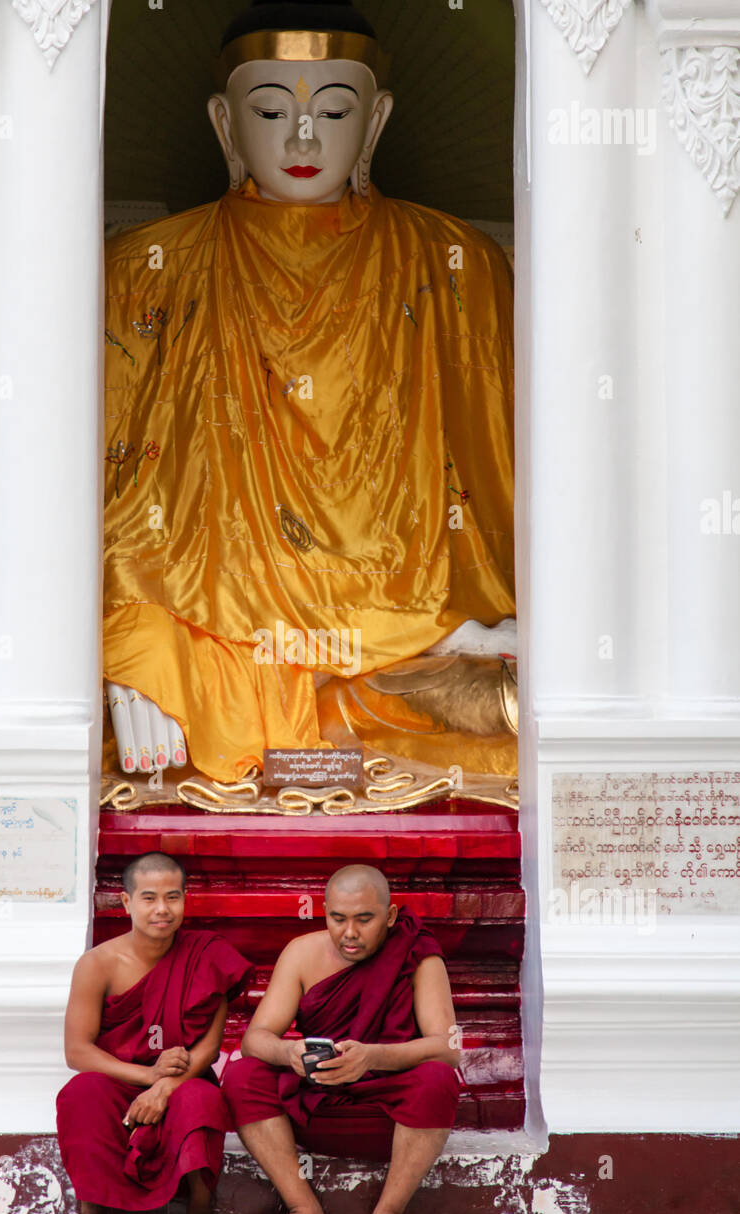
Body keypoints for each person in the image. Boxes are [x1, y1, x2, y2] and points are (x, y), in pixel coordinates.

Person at [103, 0, 516, 784]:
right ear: (225, 126)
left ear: (378, 120)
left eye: (333, 109)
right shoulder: (145, 269)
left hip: (403, 648)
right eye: (269, 110)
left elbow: (493, 497)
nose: (302, 137)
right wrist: (131, 650)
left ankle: (349, 694)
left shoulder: (457, 265)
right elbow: (113, 501)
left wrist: (456, 630)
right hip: (217, 641)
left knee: (511, 697)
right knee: (119, 682)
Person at [221, 863, 462, 1214]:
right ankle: (304, 1211)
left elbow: (448, 1047)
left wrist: (372, 1057)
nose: (349, 933)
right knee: (242, 1076)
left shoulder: (418, 956)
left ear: (390, 915)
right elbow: (254, 1039)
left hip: (389, 1114)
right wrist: (289, 1052)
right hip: (314, 1104)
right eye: (338, 918)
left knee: (436, 1080)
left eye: (364, 919)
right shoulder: (302, 953)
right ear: (324, 913)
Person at [41, 853, 252, 1214]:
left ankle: (200, 1213)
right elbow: (77, 1051)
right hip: (122, 1079)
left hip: (185, 1078)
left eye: (172, 897)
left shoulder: (208, 956)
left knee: (204, 1099)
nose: (162, 909)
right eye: (149, 898)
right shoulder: (97, 964)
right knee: (81, 1093)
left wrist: (165, 1086)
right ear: (125, 902)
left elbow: (208, 1049)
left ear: (186, 899)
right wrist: (146, 1077)